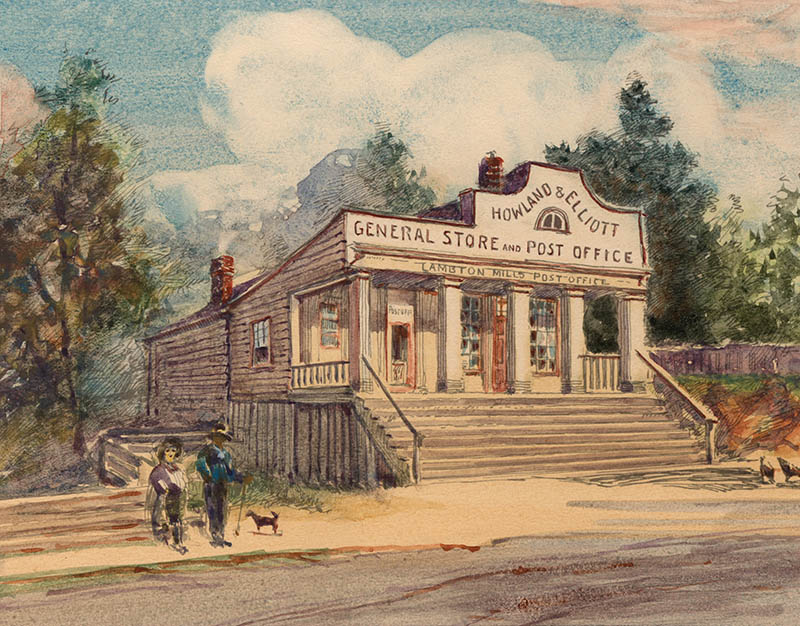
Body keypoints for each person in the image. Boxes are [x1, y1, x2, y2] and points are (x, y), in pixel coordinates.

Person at [195, 422, 253, 547]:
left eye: (222, 437)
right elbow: (200, 464)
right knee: (212, 508)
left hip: (223, 484)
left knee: (222, 509)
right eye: (217, 436)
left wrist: (241, 478)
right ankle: (214, 534)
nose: (219, 439)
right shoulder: (207, 450)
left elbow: (230, 470)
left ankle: (221, 534)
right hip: (211, 484)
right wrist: (208, 476)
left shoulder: (226, 454)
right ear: (213, 437)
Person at [148, 437, 189, 554]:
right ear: (162, 453)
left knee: (178, 522)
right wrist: (169, 490)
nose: (171, 453)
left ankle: (178, 543)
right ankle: (170, 546)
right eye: (167, 451)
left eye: (173, 450)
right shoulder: (159, 470)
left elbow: (183, 483)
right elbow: (160, 485)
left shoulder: (177, 469)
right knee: (167, 523)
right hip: (165, 501)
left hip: (177, 500)